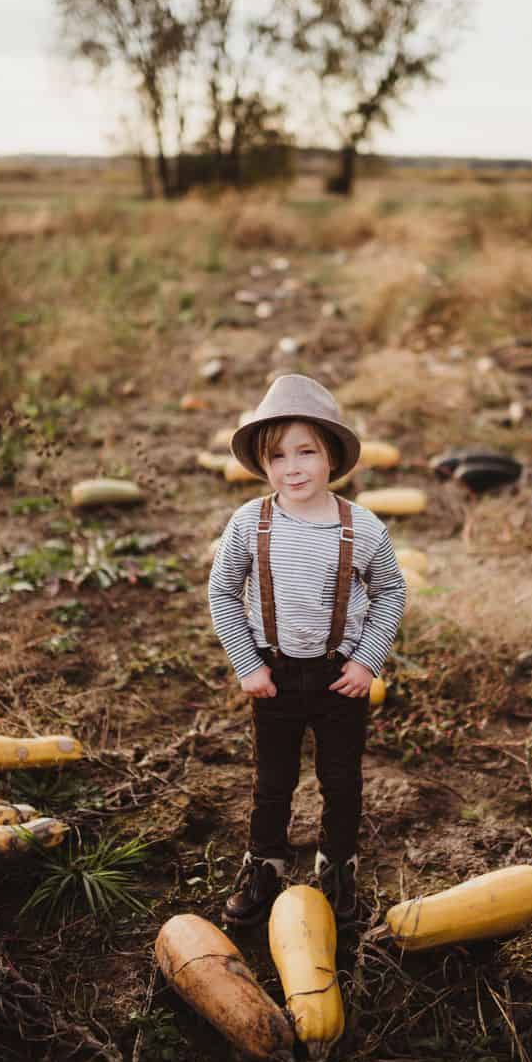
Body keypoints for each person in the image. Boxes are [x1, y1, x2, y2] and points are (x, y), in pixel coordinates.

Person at [208, 374, 408, 925]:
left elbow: (391, 591)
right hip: (272, 676)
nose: (291, 467)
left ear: (331, 458)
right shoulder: (251, 523)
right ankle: (265, 858)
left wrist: (367, 659)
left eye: (306, 452)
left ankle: (337, 860)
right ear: (263, 463)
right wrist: (247, 664)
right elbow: (222, 590)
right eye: (278, 455)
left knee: (341, 778)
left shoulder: (361, 527)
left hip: (339, 678)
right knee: (272, 778)